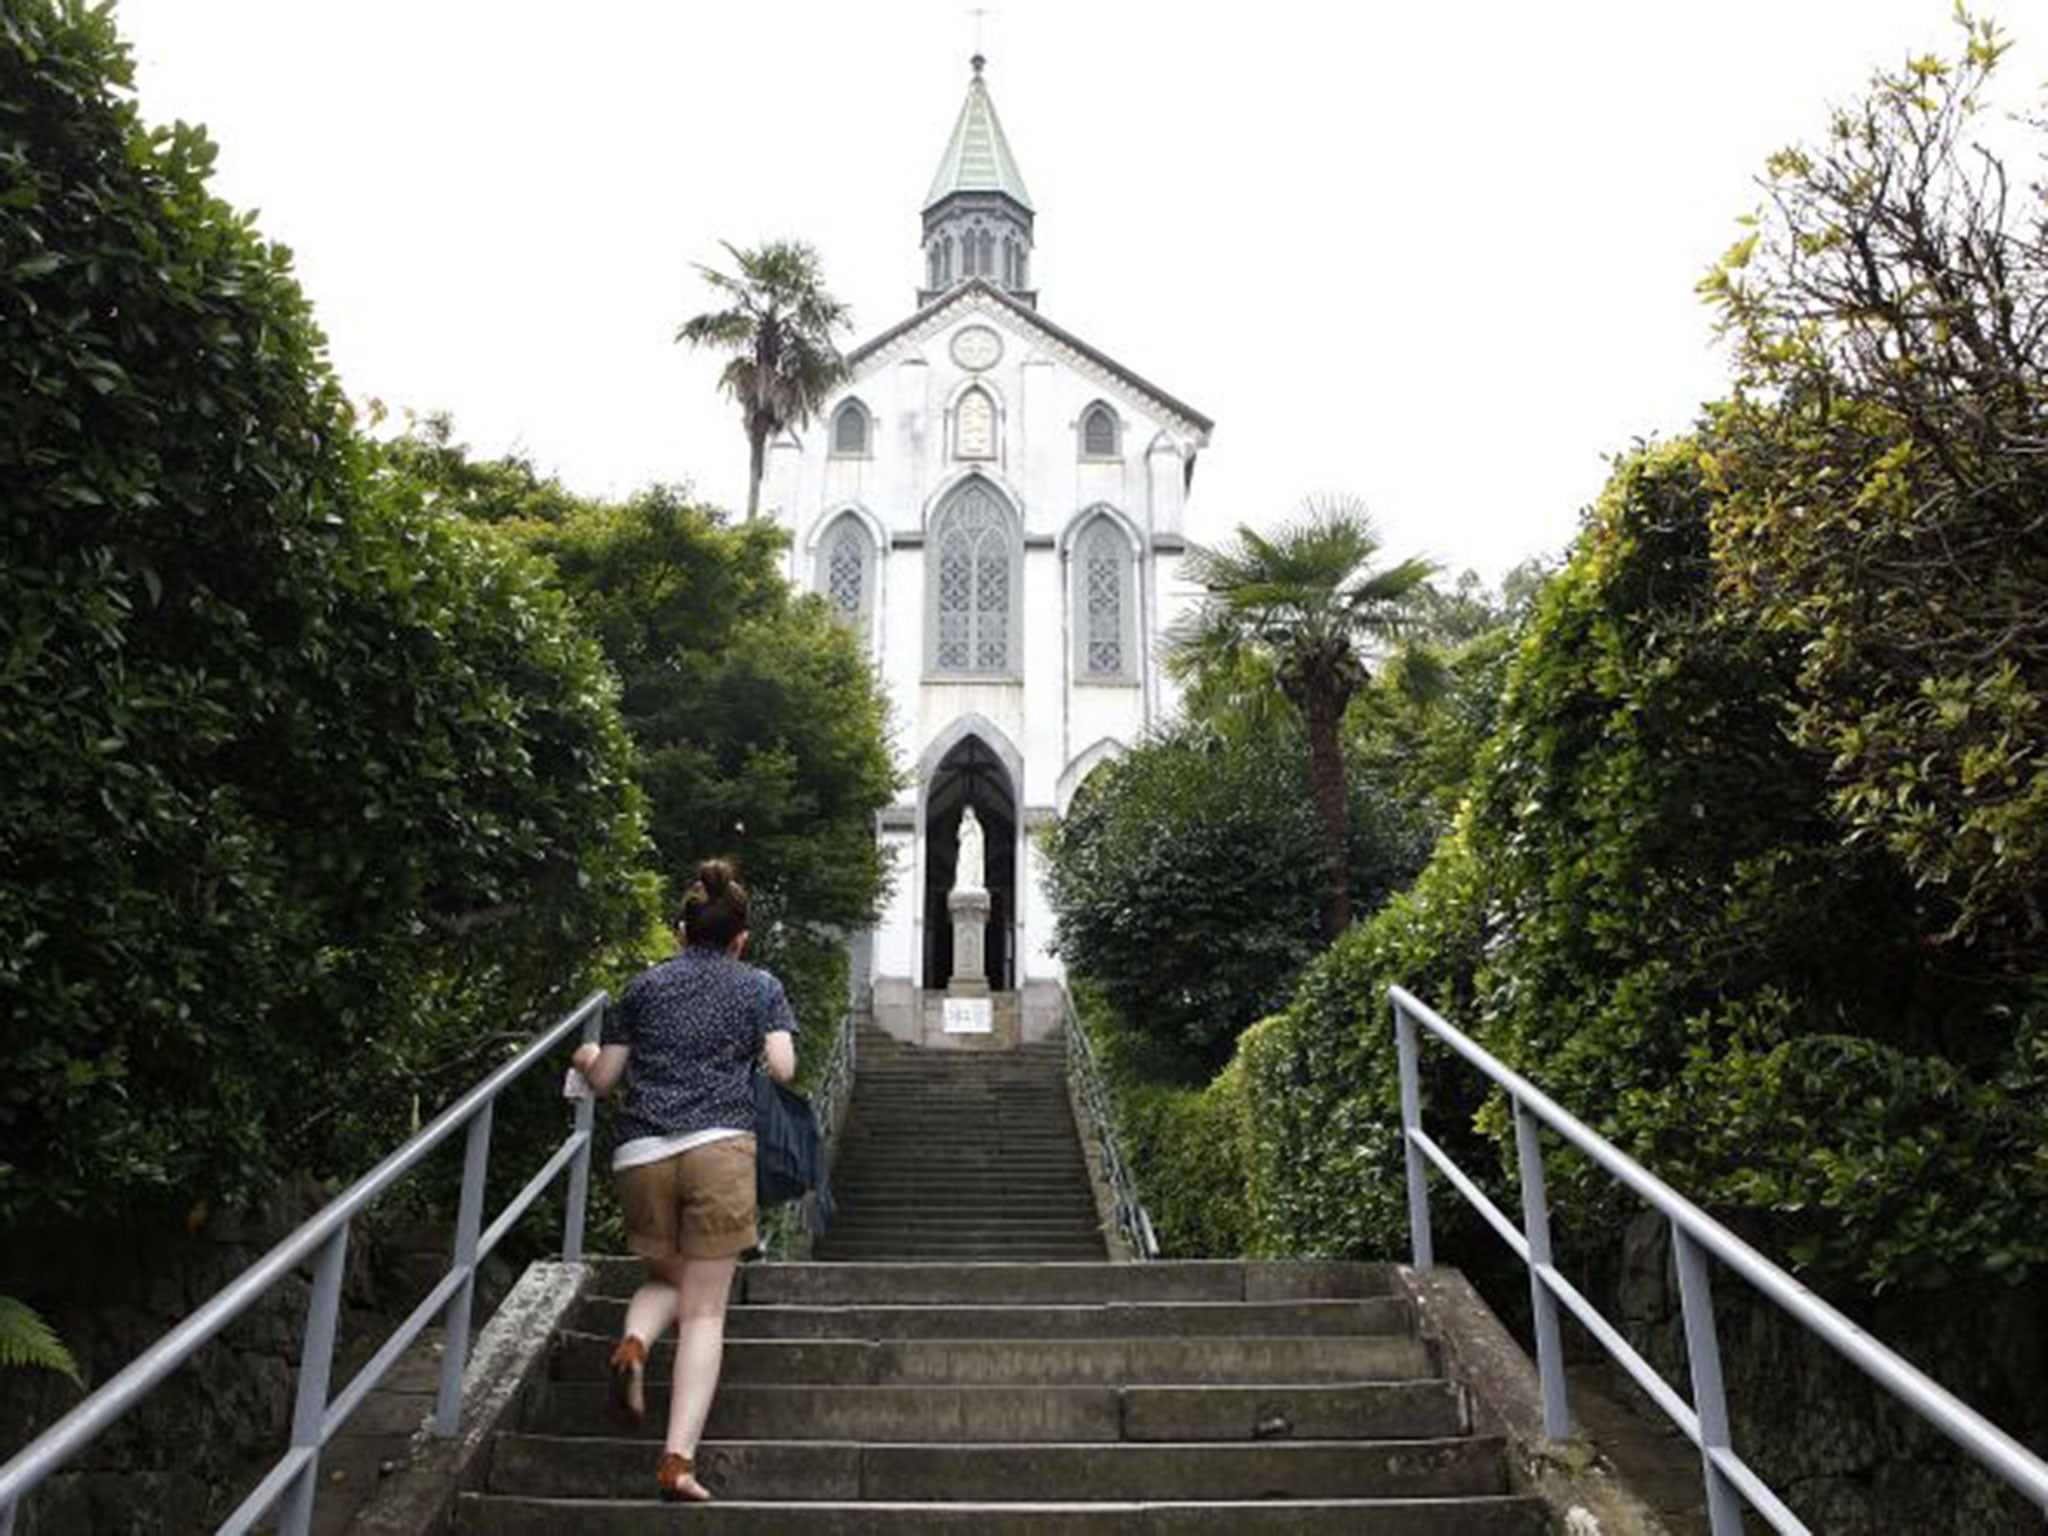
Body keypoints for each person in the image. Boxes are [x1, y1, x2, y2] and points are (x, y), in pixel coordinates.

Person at [568, 859, 798, 1503]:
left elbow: (606, 1078)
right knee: (704, 1310)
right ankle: (676, 1462)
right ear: (739, 937)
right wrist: (753, 1043)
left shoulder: (642, 988)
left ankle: (634, 1344)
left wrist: (585, 1056)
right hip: (719, 1148)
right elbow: (782, 1067)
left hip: (641, 1151)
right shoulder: (759, 985)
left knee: (664, 1277)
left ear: (681, 931)